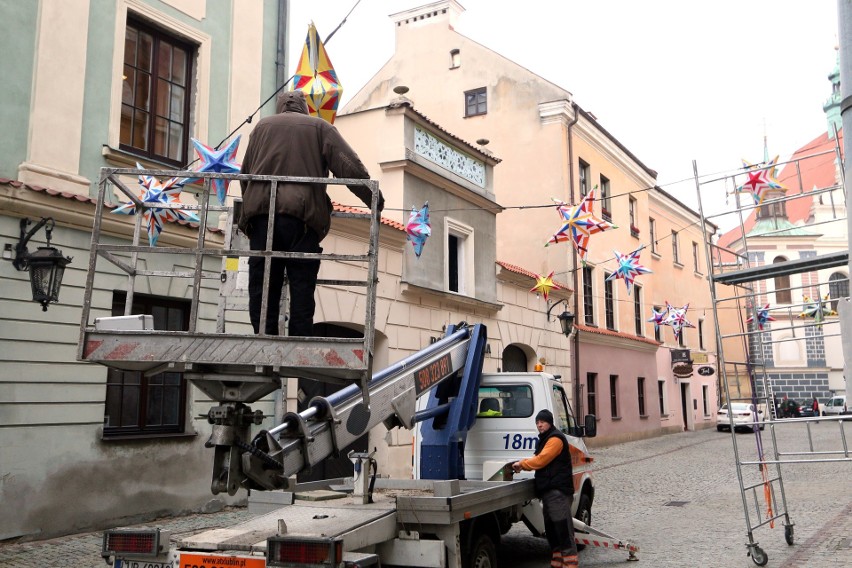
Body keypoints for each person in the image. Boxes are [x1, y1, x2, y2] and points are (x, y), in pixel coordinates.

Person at [239, 90, 383, 336]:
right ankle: (298, 339)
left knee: (263, 285)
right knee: (302, 284)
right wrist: (373, 199)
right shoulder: (319, 127)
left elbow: (246, 175)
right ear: (305, 108)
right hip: (302, 219)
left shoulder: (261, 127)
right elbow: (348, 166)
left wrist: (253, 210)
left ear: (280, 106)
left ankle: (263, 338)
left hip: (263, 218)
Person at [512, 409, 579, 568]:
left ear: (549, 422)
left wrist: (522, 464)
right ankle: (557, 562)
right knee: (552, 529)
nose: (539, 425)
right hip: (549, 491)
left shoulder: (555, 439)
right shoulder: (544, 439)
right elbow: (539, 459)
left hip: (558, 491)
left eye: (542, 421)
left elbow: (541, 460)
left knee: (562, 528)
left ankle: (570, 563)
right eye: (537, 422)